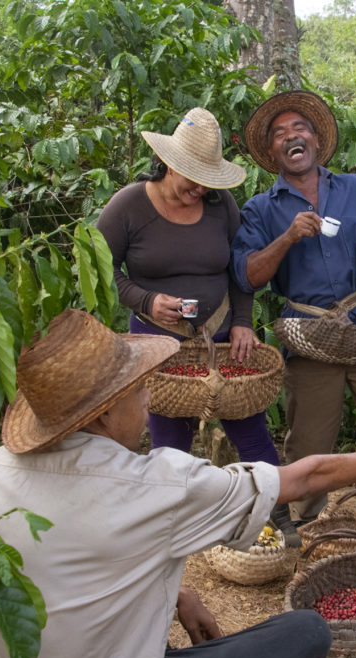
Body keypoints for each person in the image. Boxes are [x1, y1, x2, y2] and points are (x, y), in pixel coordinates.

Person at [0, 308, 356, 658]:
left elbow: (69, 568)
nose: (149, 400)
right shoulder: (158, 485)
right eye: (140, 390)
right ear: (101, 415)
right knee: (307, 632)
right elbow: (302, 480)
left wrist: (179, 596)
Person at [230, 90, 356, 560]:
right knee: (309, 439)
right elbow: (247, 274)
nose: (291, 137)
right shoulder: (262, 210)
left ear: (316, 140)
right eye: (280, 134)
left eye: (298, 128)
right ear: (273, 153)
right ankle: (302, 528)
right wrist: (287, 237)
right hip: (307, 335)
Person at [96, 107, 297, 543]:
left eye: (208, 180)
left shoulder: (220, 204)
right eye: (192, 178)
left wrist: (243, 321)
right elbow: (100, 270)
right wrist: (146, 299)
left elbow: (240, 266)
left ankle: (279, 517)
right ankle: (170, 531)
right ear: (168, 164)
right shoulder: (128, 206)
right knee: (170, 442)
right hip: (157, 342)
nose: (200, 189)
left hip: (221, 336)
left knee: (251, 428)